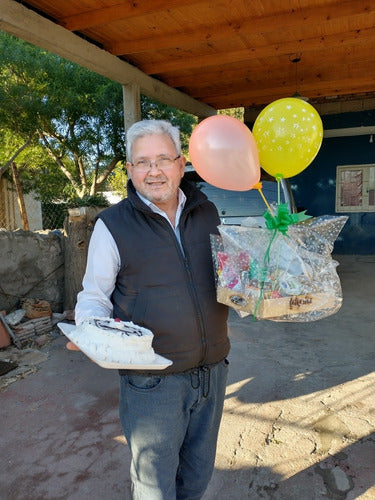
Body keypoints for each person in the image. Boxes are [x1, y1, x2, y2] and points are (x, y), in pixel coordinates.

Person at [71, 119, 230, 500]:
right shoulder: (113, 225)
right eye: (142, 162)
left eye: (163, 159)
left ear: (181, 164)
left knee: (196, 477)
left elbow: (227, 277)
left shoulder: (208, 212)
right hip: (152, 382)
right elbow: (93, 296)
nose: (154, 171)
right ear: (129, 170)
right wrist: (91, 333)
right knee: (154, 487)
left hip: (212, 373)